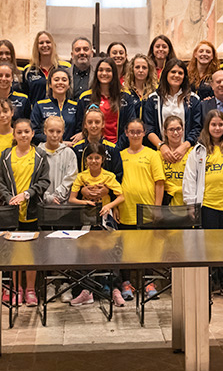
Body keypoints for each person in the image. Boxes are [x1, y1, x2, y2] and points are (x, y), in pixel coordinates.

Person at [184, 110, 223, 300]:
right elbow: (190, 178)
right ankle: (207, 281)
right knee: (206, 247)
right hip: (206, 206)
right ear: (207, 127)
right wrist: (191, 204)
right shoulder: (198, 150)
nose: (217, 128)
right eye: (213, 125)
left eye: (220, 125)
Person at [0, 118, 50, 306]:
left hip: (32, 212)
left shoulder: (40, 156)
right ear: (14, 134)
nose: (23, 135)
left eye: (27, 131)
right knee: (13, 253)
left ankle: (30, 290)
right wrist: (9, 197)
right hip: (11, 213)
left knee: (30, 253)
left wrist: (27, 194)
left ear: (33, 133)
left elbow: (44, 182)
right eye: (19, 132)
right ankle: (15, 288)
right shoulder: (6, 155)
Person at [68, 142, 125, 306]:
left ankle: (115, 289)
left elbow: (121, 196)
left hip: (105, 221)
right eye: (90, 158)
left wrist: (108, 206)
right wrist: (84, 202)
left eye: (97, 158)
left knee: (111, 254)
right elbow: (72, 199)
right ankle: (87, 291)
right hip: (87, 221)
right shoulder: (81, 176)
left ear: (102, 159)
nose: (94, 161)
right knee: (86, 255)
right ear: (86, 160)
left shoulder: (108, 176)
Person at [116, 119, 165, 299]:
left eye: (139, 131)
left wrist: (157, 208)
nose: (135, 135)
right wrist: (116, 206)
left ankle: (148, 283)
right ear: (126, 133)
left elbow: (159, 182)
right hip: (126, 208)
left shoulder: (153, 155)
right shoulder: (120, 155)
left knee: (148, 248)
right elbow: (116, 183)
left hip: (147, 209)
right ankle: (127, 284)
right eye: (132, 131)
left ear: (144, 133)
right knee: (126, 250)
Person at [144, 59, 203, 163]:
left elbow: (197, 127)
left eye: (180, 73)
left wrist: (184, 147)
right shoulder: (153, 99)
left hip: (186, 153)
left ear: (184, 77)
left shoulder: (193, 99)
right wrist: (162, 146)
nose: (176, 75)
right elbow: (148, 128)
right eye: (173, 72)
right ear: (166, 73)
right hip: (160, 153)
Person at [76, 59, 135, 146]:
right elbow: (79, 126)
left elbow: (130, 125)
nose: (104, 73)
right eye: (100, 70)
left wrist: (116, 148)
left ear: (114, 73)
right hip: (92, 149)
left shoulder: (126, 96)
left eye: (108, 70)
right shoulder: (85, 97)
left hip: (118, 147)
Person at [32, 67, 80, 145]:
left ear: (68, 85)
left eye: (64, 80)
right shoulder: (40, 105)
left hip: (70, 150)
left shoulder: (76, 106)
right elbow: (34, 132)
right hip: (46, 150)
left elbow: (80, 129)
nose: (60, 82)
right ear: (50, 84)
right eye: (56, 80)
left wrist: (81, 134)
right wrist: (59, 142)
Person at [72, 107, 124, 181]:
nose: (93, 126)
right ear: (85, 125)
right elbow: (72, 175)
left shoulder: (112, 149)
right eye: (90, 122)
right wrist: (82, 190)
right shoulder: (76, 148)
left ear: (103, 124)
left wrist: (107, 189)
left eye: (97, 122)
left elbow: (118, 175)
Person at [38, 116, 78, 206]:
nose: (55, 135)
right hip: (41, 204)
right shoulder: (37, 153)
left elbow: (71, 178)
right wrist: (47, 198)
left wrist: (57, 196)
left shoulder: (69, 154)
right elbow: (34, 180)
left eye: (58, 131)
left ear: (63, 132)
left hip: (63, 205)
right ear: (45, 131)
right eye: (51, 131)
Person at [22, 31, 70, 104]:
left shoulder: (65, 67)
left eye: (48, 42)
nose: (45, 45)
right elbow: (25, 97)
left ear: (53, 45)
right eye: (41, 43)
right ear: (36, 46)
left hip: (60, 112)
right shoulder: (28, 70)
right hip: (36, 113)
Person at [160, 116, 191, 206]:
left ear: (183, 130)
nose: (176, 133)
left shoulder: (192, 152)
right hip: (166, 201)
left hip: (187, 201)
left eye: (178, 129)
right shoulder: (158, 154)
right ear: (165, 132)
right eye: (171, 130)